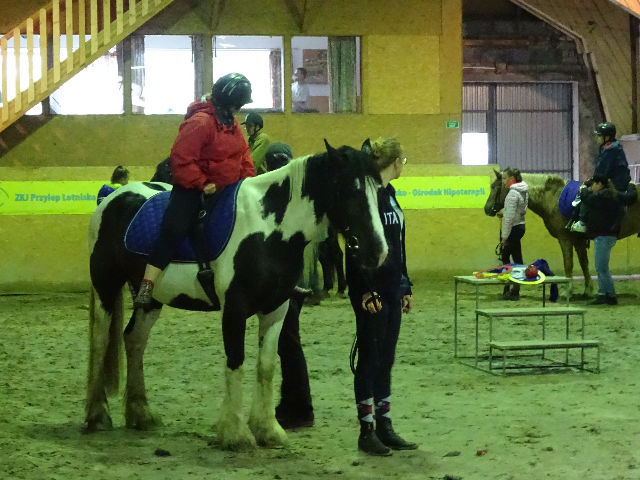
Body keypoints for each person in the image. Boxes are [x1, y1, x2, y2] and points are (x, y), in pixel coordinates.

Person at [134, 73, 255, 308]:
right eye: (236, 105)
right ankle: (147, 284)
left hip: (230, 189)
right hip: (193, 189)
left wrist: (247, 183)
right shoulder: (200, 122)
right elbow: (181, 159)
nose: (238, 109)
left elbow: (243, 156)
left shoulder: (232, 124)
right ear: (228, 102)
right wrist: (202, 182)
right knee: (174, 228)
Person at [347, 137, 416, 456]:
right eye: (404, 160)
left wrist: (405, 284)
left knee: (386, 358)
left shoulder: (390, 194)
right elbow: (353, 246)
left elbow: (399, 244)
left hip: (391, 287)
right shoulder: (366, 194)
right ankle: (366, 430)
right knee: (370, 358)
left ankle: (385, 424)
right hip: (371, 290)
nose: (404, 165)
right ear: (396, 161)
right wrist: (364, 289)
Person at [262, 142, 315, 429]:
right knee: (288, 343)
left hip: (285, 282)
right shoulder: (299, 197)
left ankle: (300, 408)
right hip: (293, 280)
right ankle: (292, 404)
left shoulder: (279, 198)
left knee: (288, 343)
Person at [570, 122, 632, 233]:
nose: (597, 138)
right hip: (615, 179)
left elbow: (603, 171)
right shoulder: (609, 147)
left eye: (599, 135)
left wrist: (592, 182)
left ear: (607, 137)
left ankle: (582, 222)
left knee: (588, 193)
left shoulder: (610, 150)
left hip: (616, 183)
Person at [580, 174, 624, 305]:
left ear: (599, 184)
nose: (592, 186)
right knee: (601, 267)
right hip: (607, 234)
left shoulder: (602, 197)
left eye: (594, 184)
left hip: (603, 235)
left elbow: (587, 199)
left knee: (601, 267)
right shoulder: (610, 196)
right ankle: (602, 294)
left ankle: (611, 295)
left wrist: (583, 188)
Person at [499, 167, 528, 301]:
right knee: (517, 257)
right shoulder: (523, 191)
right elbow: (521, 210)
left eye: (504, 178)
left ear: (511, 179)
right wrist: (505, 212)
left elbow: (509, 219)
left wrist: (504, 237)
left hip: (513, 228)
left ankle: (511, 288)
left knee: (505, 257)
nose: (503, 181)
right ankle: (514, 289)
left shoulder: (512, 194)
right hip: (520, 226)